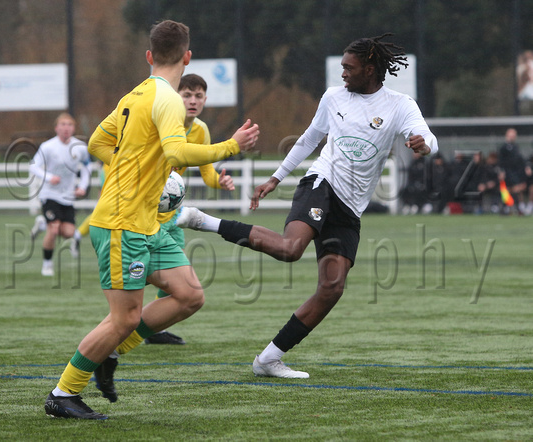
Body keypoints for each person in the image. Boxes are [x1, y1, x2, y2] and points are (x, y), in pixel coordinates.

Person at [177, 34, 438, 379]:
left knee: (332, 288)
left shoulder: (400, 104)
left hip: (350, 207)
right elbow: (309, 139)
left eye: (350, 67)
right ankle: (202, 220)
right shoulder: (333, 97)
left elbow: (427, 136)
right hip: (321, 184)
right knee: (290, 249)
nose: (343, 73)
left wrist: (424, 145)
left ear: (371, 69)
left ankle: (268, 359)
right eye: (342, 67)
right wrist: (275, 178)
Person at [44, 20, 259, 420]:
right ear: (187, 56)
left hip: (149, 224)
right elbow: (177, 153)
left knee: (189, 294)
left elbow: (96, 143)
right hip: (122, 222)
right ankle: (63, 393)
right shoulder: (169, 100)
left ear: (149, 56)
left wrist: (131, 167)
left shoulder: (135, 94)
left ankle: (109, 353)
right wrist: (232, 145)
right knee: (124, 317)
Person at [146, 73, 235, 345]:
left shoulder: (201, 130)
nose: (192, 101)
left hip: (171, 216)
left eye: (198, 96)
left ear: (205, 100)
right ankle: (123, 327)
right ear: (176, 97)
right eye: (187, 95)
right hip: (144, 215)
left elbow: (206, 174)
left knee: (176, 272)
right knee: (141, 274)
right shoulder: (161, 122)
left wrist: (218, 182)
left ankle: (154, 330)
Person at [29, 113, 91, 276]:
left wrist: (83, 187)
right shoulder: (48, 147)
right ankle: (47, 265)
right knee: (54, 229)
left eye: (69, 124)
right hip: (49, 194)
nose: (66, 128)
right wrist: (49, 177)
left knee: (70, 233)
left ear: (73, 128)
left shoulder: (80, 147)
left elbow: (86, 168)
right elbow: (33, 167)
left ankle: (42, 224)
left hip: (68, 196)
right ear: (56, 128)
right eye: (63, 124)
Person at [497, 128, 527, 214]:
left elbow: (519, 159)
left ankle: (509, 208)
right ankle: (510, 208)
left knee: (513, 189)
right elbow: (501, 160)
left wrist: (526, 167)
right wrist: (501, 171)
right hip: (507, 171)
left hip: (515, 171)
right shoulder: (503, 147)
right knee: (508, 190)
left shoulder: (515, 147)